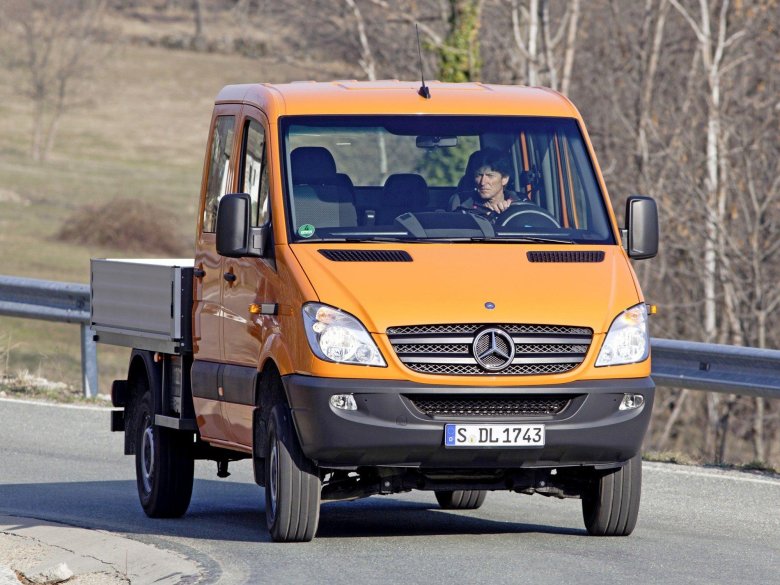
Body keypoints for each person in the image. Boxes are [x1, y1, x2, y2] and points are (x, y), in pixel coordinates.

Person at [452, 148, 518, 217]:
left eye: (490, 176)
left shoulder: (520, 205)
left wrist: (509, 213)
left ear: (504, 179)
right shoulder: (463, 209)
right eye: (479, 175)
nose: (482, 182)